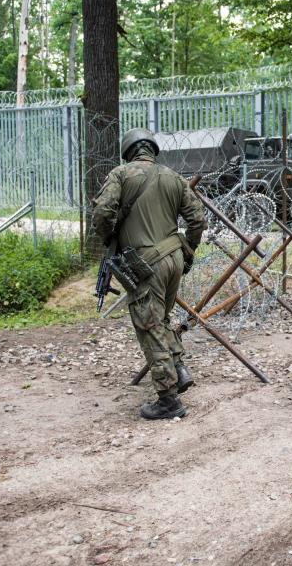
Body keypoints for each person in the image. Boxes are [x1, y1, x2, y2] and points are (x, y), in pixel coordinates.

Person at [93, 128, 207, 420]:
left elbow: (103, 212)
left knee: (149, 324)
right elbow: (197, 220)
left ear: (129, 151)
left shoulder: (120, 174)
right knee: (161, 319)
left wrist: (110, 237)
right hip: (174, 259)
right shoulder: (173, 177)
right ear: (152, 150)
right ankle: (179, 370)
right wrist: (188, 250)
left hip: (145, 264)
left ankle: (168, 400)